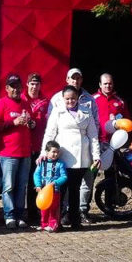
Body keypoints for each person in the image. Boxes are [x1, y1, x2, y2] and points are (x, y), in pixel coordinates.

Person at [40, 86, 100, 230]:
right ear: (63, 98)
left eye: (73, 98)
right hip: (62, 157)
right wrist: (44, 152)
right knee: (59, 190)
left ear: (77, 97)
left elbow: (93, 136)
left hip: (81, 157)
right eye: (67, 99)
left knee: (75, 190)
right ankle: (56, 221)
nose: (70, 101)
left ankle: (75, 220)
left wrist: (96, 155)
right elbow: (50, 133)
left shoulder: (86, 111)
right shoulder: (57, 111)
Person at [80, 73, 131, 222]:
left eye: (110, 83)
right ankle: (84, 210)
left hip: (114, 145)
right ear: (100, 84)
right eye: (105, 83)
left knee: (111, 176)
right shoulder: (92, 99)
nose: (108, 86)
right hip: (95, 144)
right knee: (90, 177)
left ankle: (109, 208)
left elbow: (127, 122)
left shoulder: (120, 101)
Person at [0, 73, 35, 229]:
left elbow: (30, 122)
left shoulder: (25, 104)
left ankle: (19, 215)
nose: (16, 89)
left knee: (22, 186)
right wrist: (13, 122)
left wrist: (30, 123)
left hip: (25, 153)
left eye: (18, 86)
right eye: (12, 86)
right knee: (8, 186)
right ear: (7, 88)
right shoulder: (0, 104)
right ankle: (9, 215)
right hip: (8, 153)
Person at [22, 73, 49, 225]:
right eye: (31, 84)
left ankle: (35, 212)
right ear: (27, 85)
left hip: (39, 147)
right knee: (22, 182)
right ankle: (20, 212)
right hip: (23, 147)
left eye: (37, 84)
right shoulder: (22, 99)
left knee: (37, 181)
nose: (34, 87)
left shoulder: (45, 102)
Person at [33, 141, 68, 232]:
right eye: (53, 152)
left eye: (57, 152)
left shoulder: (60, 164)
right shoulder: (42, 163)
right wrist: (38, 185)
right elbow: (36, 175)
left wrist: (55, 183)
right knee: (43, 209)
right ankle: (44, 224)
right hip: (43, 191)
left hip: (54, 191)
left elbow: (64, 177)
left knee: (54, 208)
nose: (55, 154)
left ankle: (53, 225)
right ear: (47, 152)